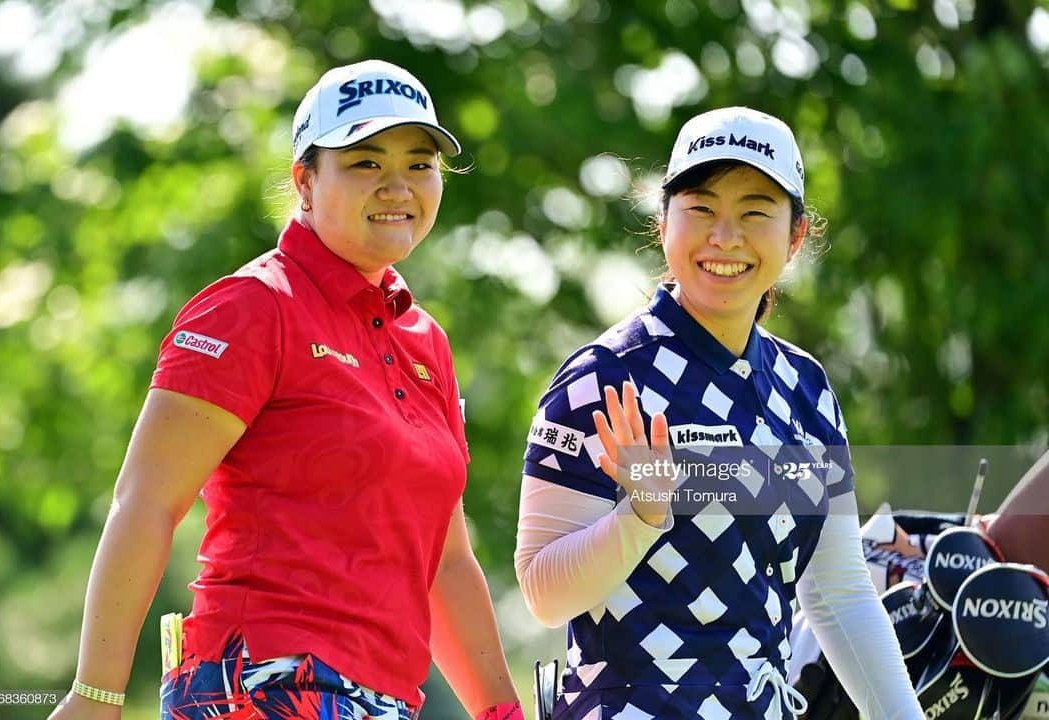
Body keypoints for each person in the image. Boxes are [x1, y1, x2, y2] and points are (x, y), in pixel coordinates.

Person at [48, 59, 523, 720]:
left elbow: (444, 563)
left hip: (383, 699)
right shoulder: (250, 307)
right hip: (261, 684)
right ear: (305, 181)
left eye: (419, 164)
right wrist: (95, 694)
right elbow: (147, 500)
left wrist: (503, 712)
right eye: (364, 163)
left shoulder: (426, 342)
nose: (398, 186)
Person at [515, 107, 924, 719]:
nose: (725, 237)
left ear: (794, 237)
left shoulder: (806, 391)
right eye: (701, 209)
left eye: (755, 212)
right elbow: (544, 593)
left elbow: (837, 594)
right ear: (663, 223)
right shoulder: (602, 376)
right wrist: (643, 515)